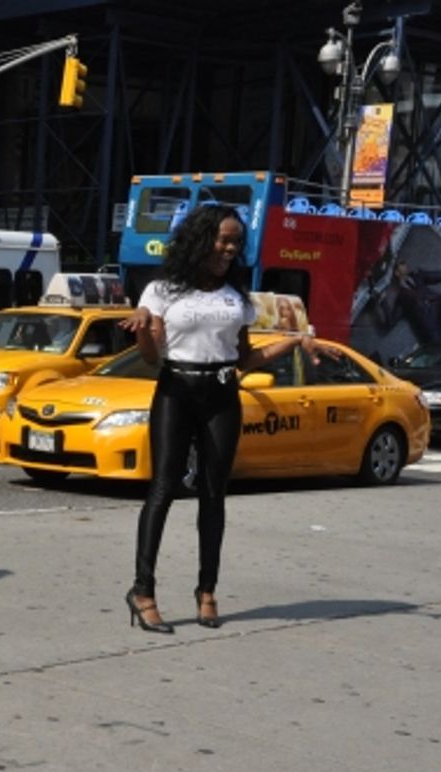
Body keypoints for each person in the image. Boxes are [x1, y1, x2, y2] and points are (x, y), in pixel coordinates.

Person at [119, 204, 335, 634]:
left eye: (236, 242)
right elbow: (149, 356)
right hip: (176, 389)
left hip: (221, 393)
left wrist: (294, 341)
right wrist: (143, 327)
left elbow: (244, 358)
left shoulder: (236, 297)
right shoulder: (161, 291)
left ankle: (207, 591)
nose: (230, 249)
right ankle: (142, 591)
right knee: (163, 487)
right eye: (223, 240)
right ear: (201, 239)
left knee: (214, 493)